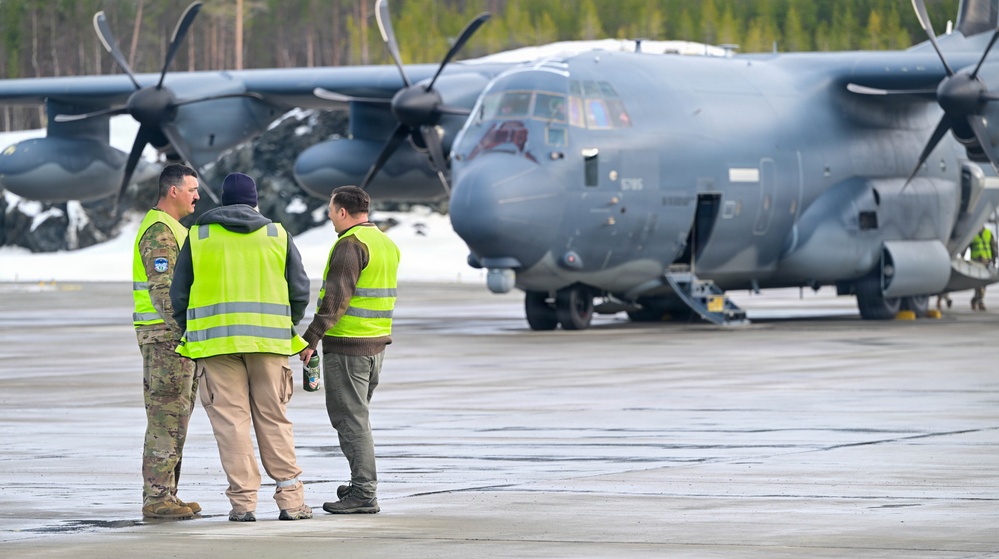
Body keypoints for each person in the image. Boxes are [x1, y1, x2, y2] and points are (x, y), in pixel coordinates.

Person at [170, 172, 313, 522]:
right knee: (274, 419)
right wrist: (286, 323)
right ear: (254, 201)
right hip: (270, 344)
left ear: (221, 201)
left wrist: (190, 327)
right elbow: (299, 289)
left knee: (231, 424)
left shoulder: (199, 235)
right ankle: (292, 502)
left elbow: (179, 293)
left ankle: (244, 504)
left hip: (215, 346)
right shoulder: (277, 234)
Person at [300, 185, 400, 515]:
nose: (329, 216)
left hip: (348, 349)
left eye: (331, 210)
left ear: (342, 212)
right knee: (357, 418)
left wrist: (311, 337)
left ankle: (363, 493)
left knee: (351, 421)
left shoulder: (349, 245)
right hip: (376, 347)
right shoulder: (385, 243)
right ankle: (360, 483)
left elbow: (335, 299)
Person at [133, 163, 201, 520]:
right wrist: (185, 333)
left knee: (177, 417)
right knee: (165, 417)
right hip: (166, 339)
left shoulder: (175, 229)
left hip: (174, 339)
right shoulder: (160, 232)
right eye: (192, 189)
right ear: (173, 191)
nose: (197, 196)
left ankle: (168, 494)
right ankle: (156, 497)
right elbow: (164, 291)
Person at [969, 226, 997, 311]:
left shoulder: (988, 233)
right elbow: (966, 245)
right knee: (978, 282)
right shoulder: (972, 233)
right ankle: (980, 301)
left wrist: (994, 259)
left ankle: (975, 299)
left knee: (983, 284)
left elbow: (993, 247)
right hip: (976, 260)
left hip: (986, 261)